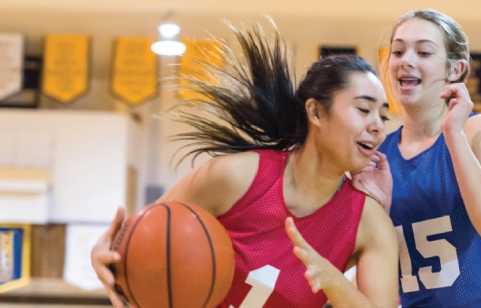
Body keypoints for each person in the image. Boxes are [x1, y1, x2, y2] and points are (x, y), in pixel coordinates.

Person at [90, 25, 399, 308]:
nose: (377, 127)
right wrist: (107, 256)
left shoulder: (370, 224)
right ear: (315, 112)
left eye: (383, 116)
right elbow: (144, 243)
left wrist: (333, 281)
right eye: (363, 109)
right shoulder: (235, 176)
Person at [378, 9, 481, 307]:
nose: (406, 60)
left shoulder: (477, 131)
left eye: (423, 52)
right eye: (397, 51)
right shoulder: (379, 155)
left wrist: (453, 134)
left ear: (455, 69)